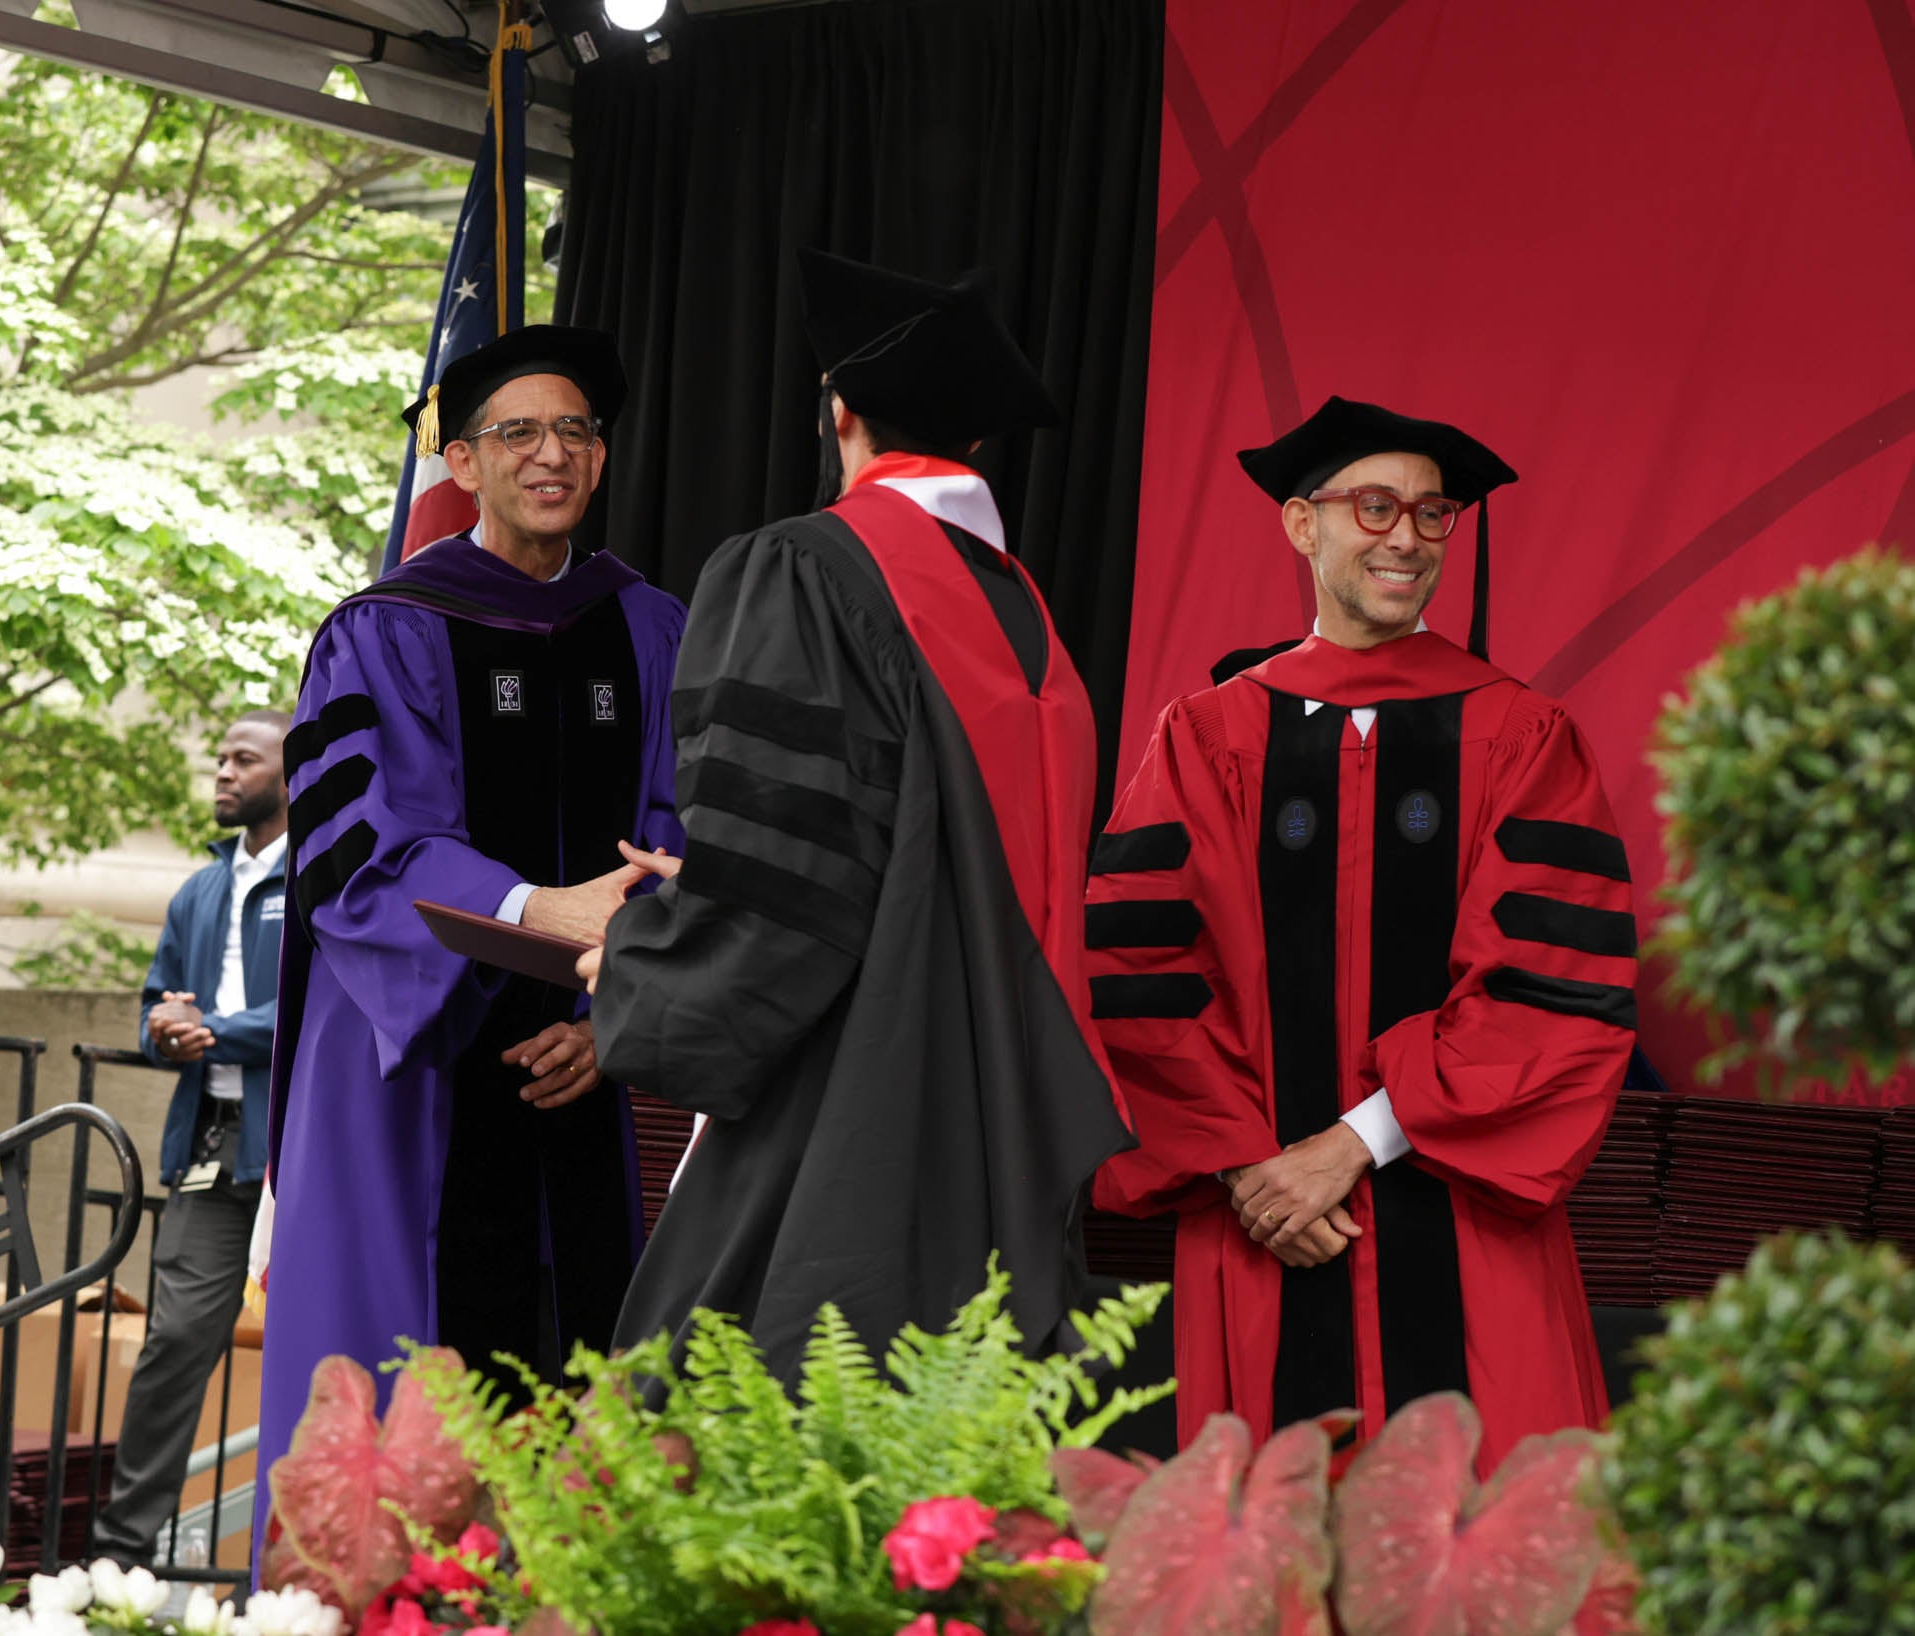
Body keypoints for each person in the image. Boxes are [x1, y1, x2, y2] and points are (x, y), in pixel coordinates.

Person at [580, 250, 1133, 1380]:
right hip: (1011, 1142)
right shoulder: (1032, 623)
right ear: (977, 440)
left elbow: (789, 902)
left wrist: (634, 957)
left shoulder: (805, 569)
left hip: (850, 1136)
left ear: (840, 412)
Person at [1087, 396, 1634, 1471]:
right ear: (1303, 524)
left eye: (1433, 516)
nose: (1407, 538)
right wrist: (1254, 1166)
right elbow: (1141, 971)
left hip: (1462, 1217)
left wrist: (1347, 1147)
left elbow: (1549, 989)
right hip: (1263, 1223)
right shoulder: (1208, 736)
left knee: (1481, 1548)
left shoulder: (1524, 736)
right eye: (1376, 506)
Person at [256, 326, 684, 1511]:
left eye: (576, 432)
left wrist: (617, 1014)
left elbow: (687, 839)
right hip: (421, 1074)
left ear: (600, 459)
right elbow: (356, 847)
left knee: (581, 1397)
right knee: (412, 1415)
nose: (551, 454)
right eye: (518, 433)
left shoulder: (652, 631)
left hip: (589, 1072)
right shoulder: (383, 629)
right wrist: (536, 907)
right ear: (459, 461)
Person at [90, 710, 290, 1566]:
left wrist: (223, 1033)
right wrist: (166, 1031)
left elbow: (326, 1015)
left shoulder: (324, 878)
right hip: (209, 1144)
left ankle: (300, 1564)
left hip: (297, 1150)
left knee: (316, 1341)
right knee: (175, 1344)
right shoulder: (199, 889)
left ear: (293, 773)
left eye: (244, 759)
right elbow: (153, 1005)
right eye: (220, 758)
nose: (223, 771)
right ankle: (121, 1557)